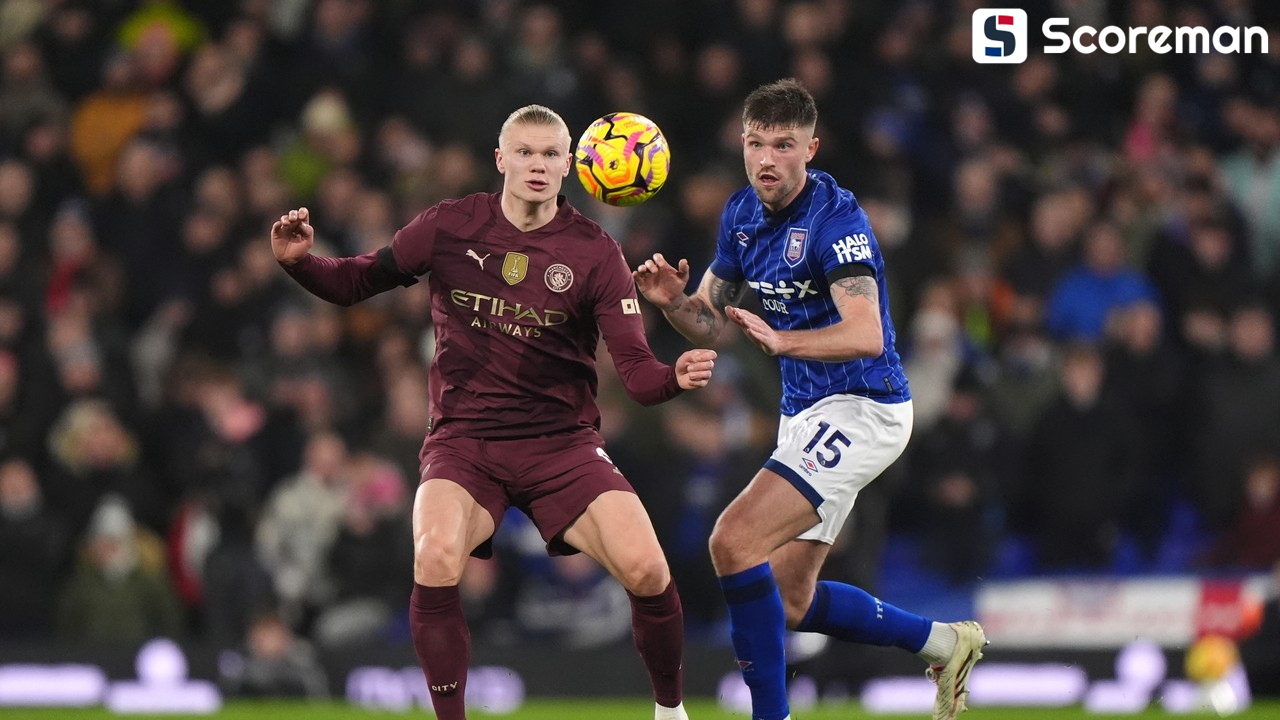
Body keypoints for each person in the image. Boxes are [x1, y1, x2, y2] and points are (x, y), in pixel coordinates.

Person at [270, 104, 716, 720]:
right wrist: (301, 263)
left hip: (562, 445)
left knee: (647, 570)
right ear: (501, 159)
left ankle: (671, 712)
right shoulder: (450, 226)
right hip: (465, 444)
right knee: (434, 554)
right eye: (525, 153)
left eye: (551, 155)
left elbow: (638, 376)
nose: (538, 165)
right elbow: (356, 282)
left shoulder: (596, 253)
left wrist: (674, 378)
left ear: (573, 165)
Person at [634, 79, 986, 720]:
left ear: (811, 149)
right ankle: (945, 643)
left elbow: (867, 332)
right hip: (806, 415)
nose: (766, 158)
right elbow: (710, 321)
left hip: (866, 407)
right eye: (755, 143)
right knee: (792, 599)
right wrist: (673, 305)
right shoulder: (741, 214)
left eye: (783, 145)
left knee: (732, 542)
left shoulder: (837, 221)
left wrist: (784, 340)